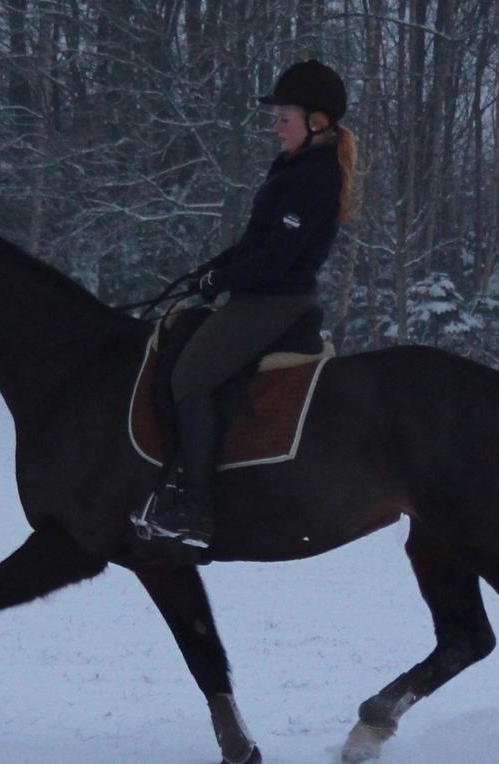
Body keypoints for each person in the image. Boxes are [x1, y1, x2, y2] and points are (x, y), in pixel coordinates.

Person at [142, 59, 357, 551]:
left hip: (276, 301)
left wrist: (222, 278)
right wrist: (206, 271)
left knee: (190, 376)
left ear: (317, 121)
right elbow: (255, 244)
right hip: (260, 292)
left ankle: (196, 508)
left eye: (285, 115)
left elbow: (275, 261)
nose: (276, 125)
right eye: (277, 115)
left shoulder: (315, 176)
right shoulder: (295, 166)